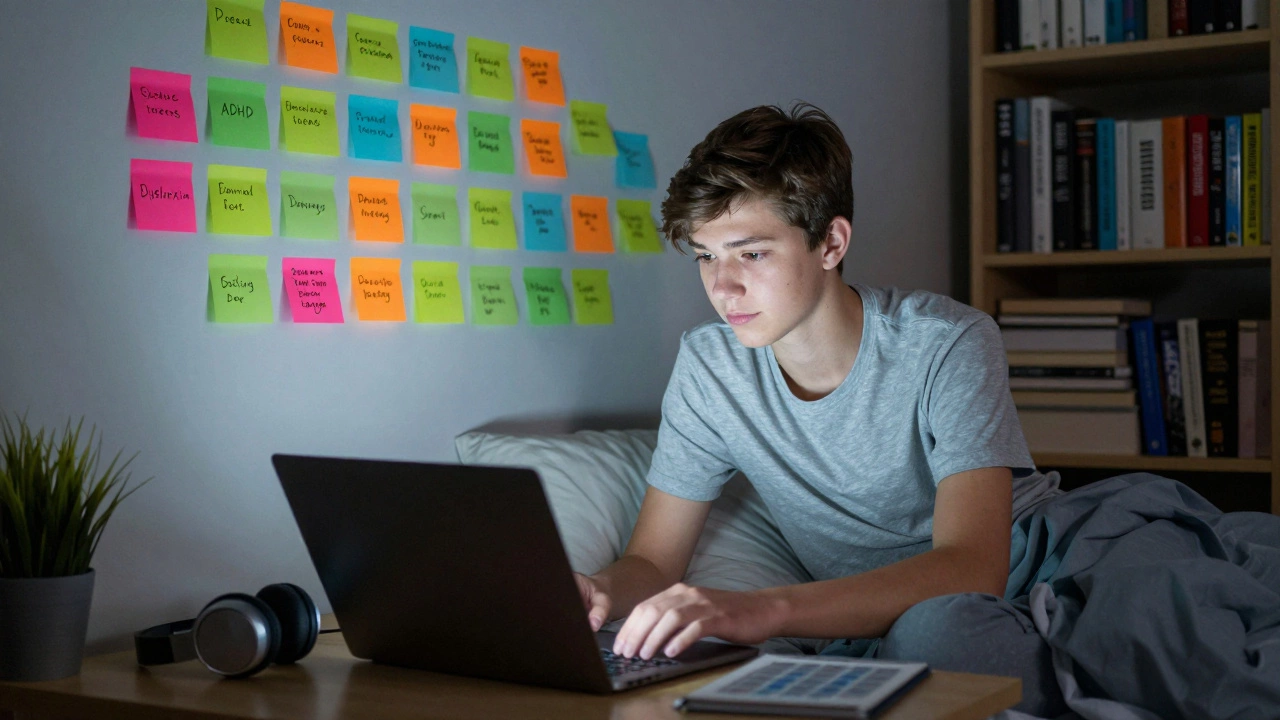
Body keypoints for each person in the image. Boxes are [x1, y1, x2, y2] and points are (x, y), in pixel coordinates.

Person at [573, 102, 1067, 715]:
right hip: (879, 617)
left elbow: (972, 568)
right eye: (706, 256)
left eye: (751, 253)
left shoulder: (949, 342)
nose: (722, 287)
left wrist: (760, 608)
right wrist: (596, 591)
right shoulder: (709, 366)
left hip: (1032, 568)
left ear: (830, 243)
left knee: (940, 635)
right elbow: (652, 560)